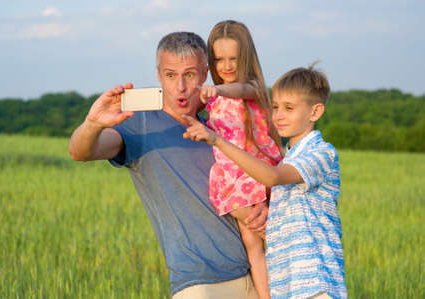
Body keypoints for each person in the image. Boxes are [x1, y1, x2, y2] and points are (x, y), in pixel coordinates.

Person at [69, 31, 269, 299]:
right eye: (171, 75)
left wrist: (265, 208)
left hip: (257, 278)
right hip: (199, 285)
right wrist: (93, 124)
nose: (180, 87)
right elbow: (81, 151)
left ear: (205, 73)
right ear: (159, 75)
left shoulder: (221, 122)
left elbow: (264, 172)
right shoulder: (138, 124)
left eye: (189, 75)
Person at [183, 63, 348, 299]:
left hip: (316, 284)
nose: (279, 116)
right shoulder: (286, 157)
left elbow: (272, 177)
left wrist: (217, 140)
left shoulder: (322, 153)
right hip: (287, 286)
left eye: (289, 108)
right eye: (276, 107)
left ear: (315, 112)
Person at [199, 20, 283, 299]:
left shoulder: (253, 88)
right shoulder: (211, 96)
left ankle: (299, 262)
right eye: (219, 59)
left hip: (256, 171)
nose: (226, 66)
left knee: (270, 233)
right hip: (231, 174)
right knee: (251, 241)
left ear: (246, 57)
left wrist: (219, 90)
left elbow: (238, 90)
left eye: (234, 58)